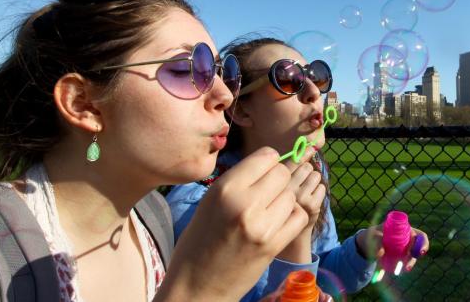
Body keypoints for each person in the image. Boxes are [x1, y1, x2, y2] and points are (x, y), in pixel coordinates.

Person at [0, 0, 309, 301]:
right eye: (187, 70)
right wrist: (199, 293)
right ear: (83, 104)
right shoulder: (1, 256)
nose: (226, 95)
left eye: (220, 72)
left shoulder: (153, 215)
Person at [167, 37, 429, 301]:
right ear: (242, 110)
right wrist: (295, 237)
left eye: (317, 77)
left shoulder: (312, 173)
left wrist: (363, 248)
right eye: (288, 78)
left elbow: (325, 271)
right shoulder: (198, 206)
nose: (314, 91)